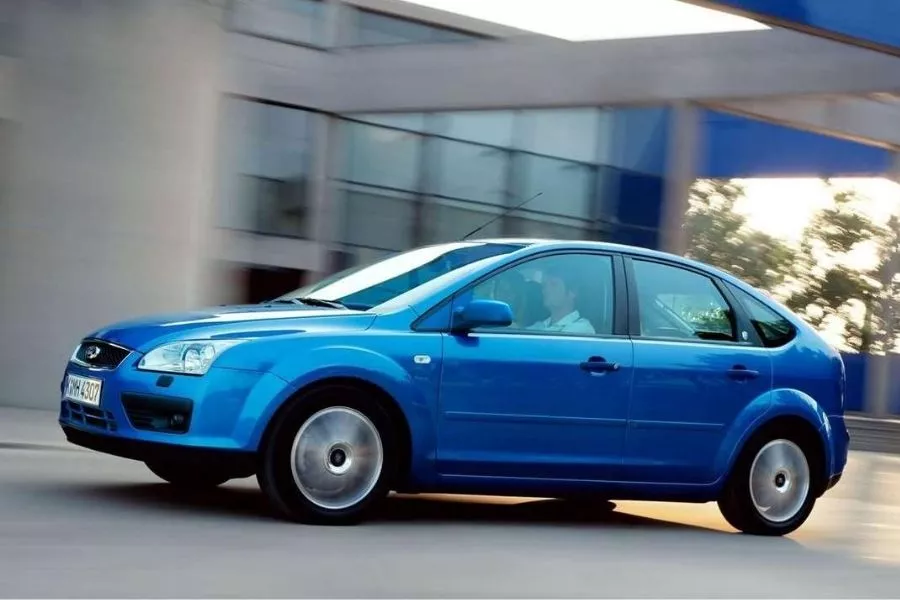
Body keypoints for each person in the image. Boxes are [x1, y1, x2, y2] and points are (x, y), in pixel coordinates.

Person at [527, 265, 595, 334]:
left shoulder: (581, 329)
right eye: (544, 285)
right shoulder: (541, 325)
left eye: (554, 284)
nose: (545, 290)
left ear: (572, 292)